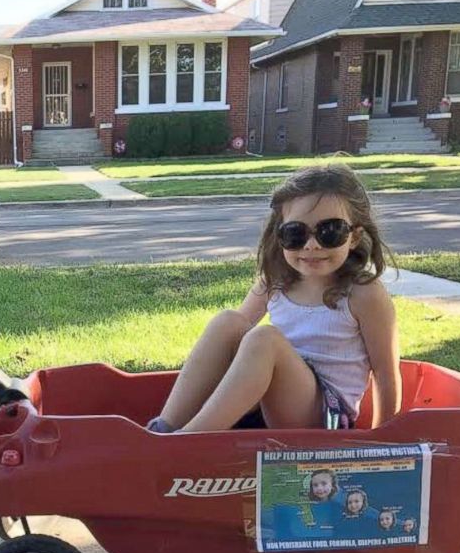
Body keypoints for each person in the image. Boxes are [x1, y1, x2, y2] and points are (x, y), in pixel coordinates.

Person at [147, 163, 401, 433]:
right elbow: (232, 342)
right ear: (279, 235)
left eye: (330, 232)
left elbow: (386, 374)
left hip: (325, 419)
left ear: (354, 237)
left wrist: (383, 444)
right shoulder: (276, 282)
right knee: (228, 321)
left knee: (265, 339)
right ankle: (163, 428)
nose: (311, 245)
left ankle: (185, 441)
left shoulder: (363, 293)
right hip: (269, 403)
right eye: (295, 233)